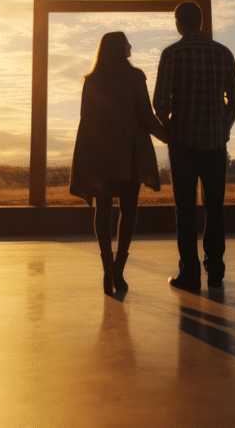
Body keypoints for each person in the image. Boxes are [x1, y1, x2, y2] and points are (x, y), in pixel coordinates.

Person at [153, 1, 235, 291]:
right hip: (215, 145)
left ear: (178, 23)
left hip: (183, 145)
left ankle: (190, 274)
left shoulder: (172, 54)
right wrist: (224, 128)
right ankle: (215, 272)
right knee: (215, 209)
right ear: (201, 22)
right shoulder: (223, 52)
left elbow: (160, 102)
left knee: (186, 210)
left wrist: (171, 129)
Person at [70, 31, 167, 295]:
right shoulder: (135, 77)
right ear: (119, 48)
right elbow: (146, 116)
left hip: (100, 152)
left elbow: (85, 118)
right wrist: (169, 137)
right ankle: (119, 269)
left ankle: (106, 270)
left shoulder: (92, 81)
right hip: (129, 152)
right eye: (127, 43)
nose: (131, 46)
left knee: (102, 209)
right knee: (129, 209)